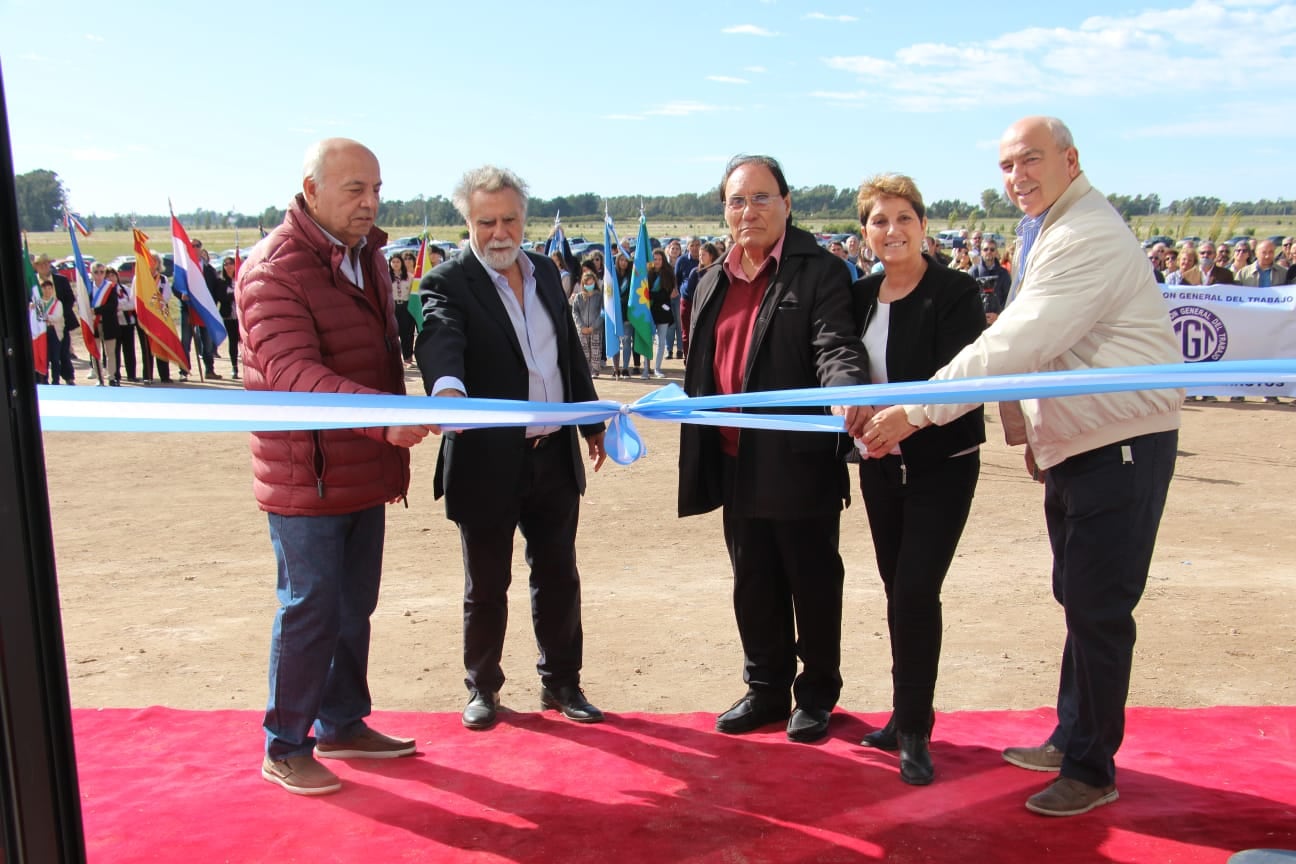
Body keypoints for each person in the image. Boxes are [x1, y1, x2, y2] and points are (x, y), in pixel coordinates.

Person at [861, 116, 1181, 817]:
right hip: (1081, 445)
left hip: (1118, 446)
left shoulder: (1084, 234)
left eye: (1031, 161)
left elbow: (1018, 339)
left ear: (1070, 159)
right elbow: (1038, 349)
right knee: (1079, 598)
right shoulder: (1048, 229)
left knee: (1099, 609)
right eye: (1007, 166)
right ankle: (1074, 737)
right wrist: (1032, 428)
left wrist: (915, 411)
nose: (1017, 177)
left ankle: (1093, 769)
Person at [238, 138, 433, 796]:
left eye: (377, 187)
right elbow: (291, 373)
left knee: (355, 606)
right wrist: (382, 419)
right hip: (307, 476)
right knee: (310, 608)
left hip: (363, 468)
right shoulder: (274, 269)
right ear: (310, 189)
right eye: (354, 189)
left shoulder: (367, 257)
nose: (370, 201)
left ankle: (342, 723)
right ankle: (286, 744)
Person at [678, 154, 869, 744]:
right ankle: (764, 688)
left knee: (811, 582)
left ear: (787, 204)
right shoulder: (711, 279)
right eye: (737, 200)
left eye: (762, 198)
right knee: (752, 582)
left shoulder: (820, 271)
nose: (749, 211)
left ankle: (815, 695)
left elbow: (834, 345)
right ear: (724, 210)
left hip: (798, 465)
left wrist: (845, 392)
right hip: (734, 461)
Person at [414, 164, 608, 733]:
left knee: (558, 575)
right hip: (485, 461)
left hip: (552, 455)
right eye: (485, 222)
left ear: (524, 219)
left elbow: (567, 349)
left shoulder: (548, 272)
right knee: (487, 583)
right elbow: (439, 334)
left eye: (508, 220)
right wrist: (447, 390)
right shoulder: (448, 281)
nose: (499, 233)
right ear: (467, 223)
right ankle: (483, 688)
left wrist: (592, 419)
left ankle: (563, 683)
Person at [851, 174, 986, 786]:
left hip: (942, 467)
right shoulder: (858, 296)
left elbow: (960, 385)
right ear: (865, 233)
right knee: (894, 590)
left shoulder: (955, 292)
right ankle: (906, 713)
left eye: (904, 217)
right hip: (880, 468)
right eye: (880, 220)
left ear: (923, 225)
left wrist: (906, 424)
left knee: (913, 592)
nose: (893, 230)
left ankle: (914, 732)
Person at [33, 254, 78, 384]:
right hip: (40, 325)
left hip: (60, 322)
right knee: (43, 353)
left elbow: (70, 298)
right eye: (40, 264)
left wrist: (60, 311)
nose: (44, 266)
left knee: (63, 352)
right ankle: (43, 378)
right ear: (36, 266)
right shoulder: (32, 282)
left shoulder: (61, 280)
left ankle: (68, 377)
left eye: (46, 263)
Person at [572, 266, 604, 376]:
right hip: (582, 329)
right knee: (584, 351)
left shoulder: (599, 296)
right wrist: (581, 326)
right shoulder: (579, 297)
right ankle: (586, 370)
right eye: (587, 283)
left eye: (591, 283)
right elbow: (575, 312)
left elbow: (602, 313)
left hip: (595, 329)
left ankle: (595, 370)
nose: (589, 285)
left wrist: (593, 327)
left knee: (595, 350)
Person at [648, 247, 675, 378]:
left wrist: (652, 295)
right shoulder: (647, 274)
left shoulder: (668, 274)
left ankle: (657, 368)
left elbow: (666, 294)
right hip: (649, 312)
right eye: (655, 259)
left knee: (661, 342)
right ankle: (646, 368)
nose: (657, 261)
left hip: (663, 313)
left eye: (659, 259)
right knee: (649, 340)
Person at [216, 257, 242, 379]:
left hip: (242, 316)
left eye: (231, 263)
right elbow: (222, 297)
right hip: (229, 316)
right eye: (225, 264)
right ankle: (234, 367)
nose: (228, 266)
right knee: (233, 342)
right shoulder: (221, 282)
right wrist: (234, 295)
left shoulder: (241, 279)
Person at [389, 253, 415, 365]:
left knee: (407, 332)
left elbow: (413, 293)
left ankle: (407, 357)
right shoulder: (385, 276)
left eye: (398, 262)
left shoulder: (409, 277)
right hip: (392, 306)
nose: (395, 264)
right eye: (393, 262)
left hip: (405, 306)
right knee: (392, 333)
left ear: (401, 263)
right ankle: (393, 358)